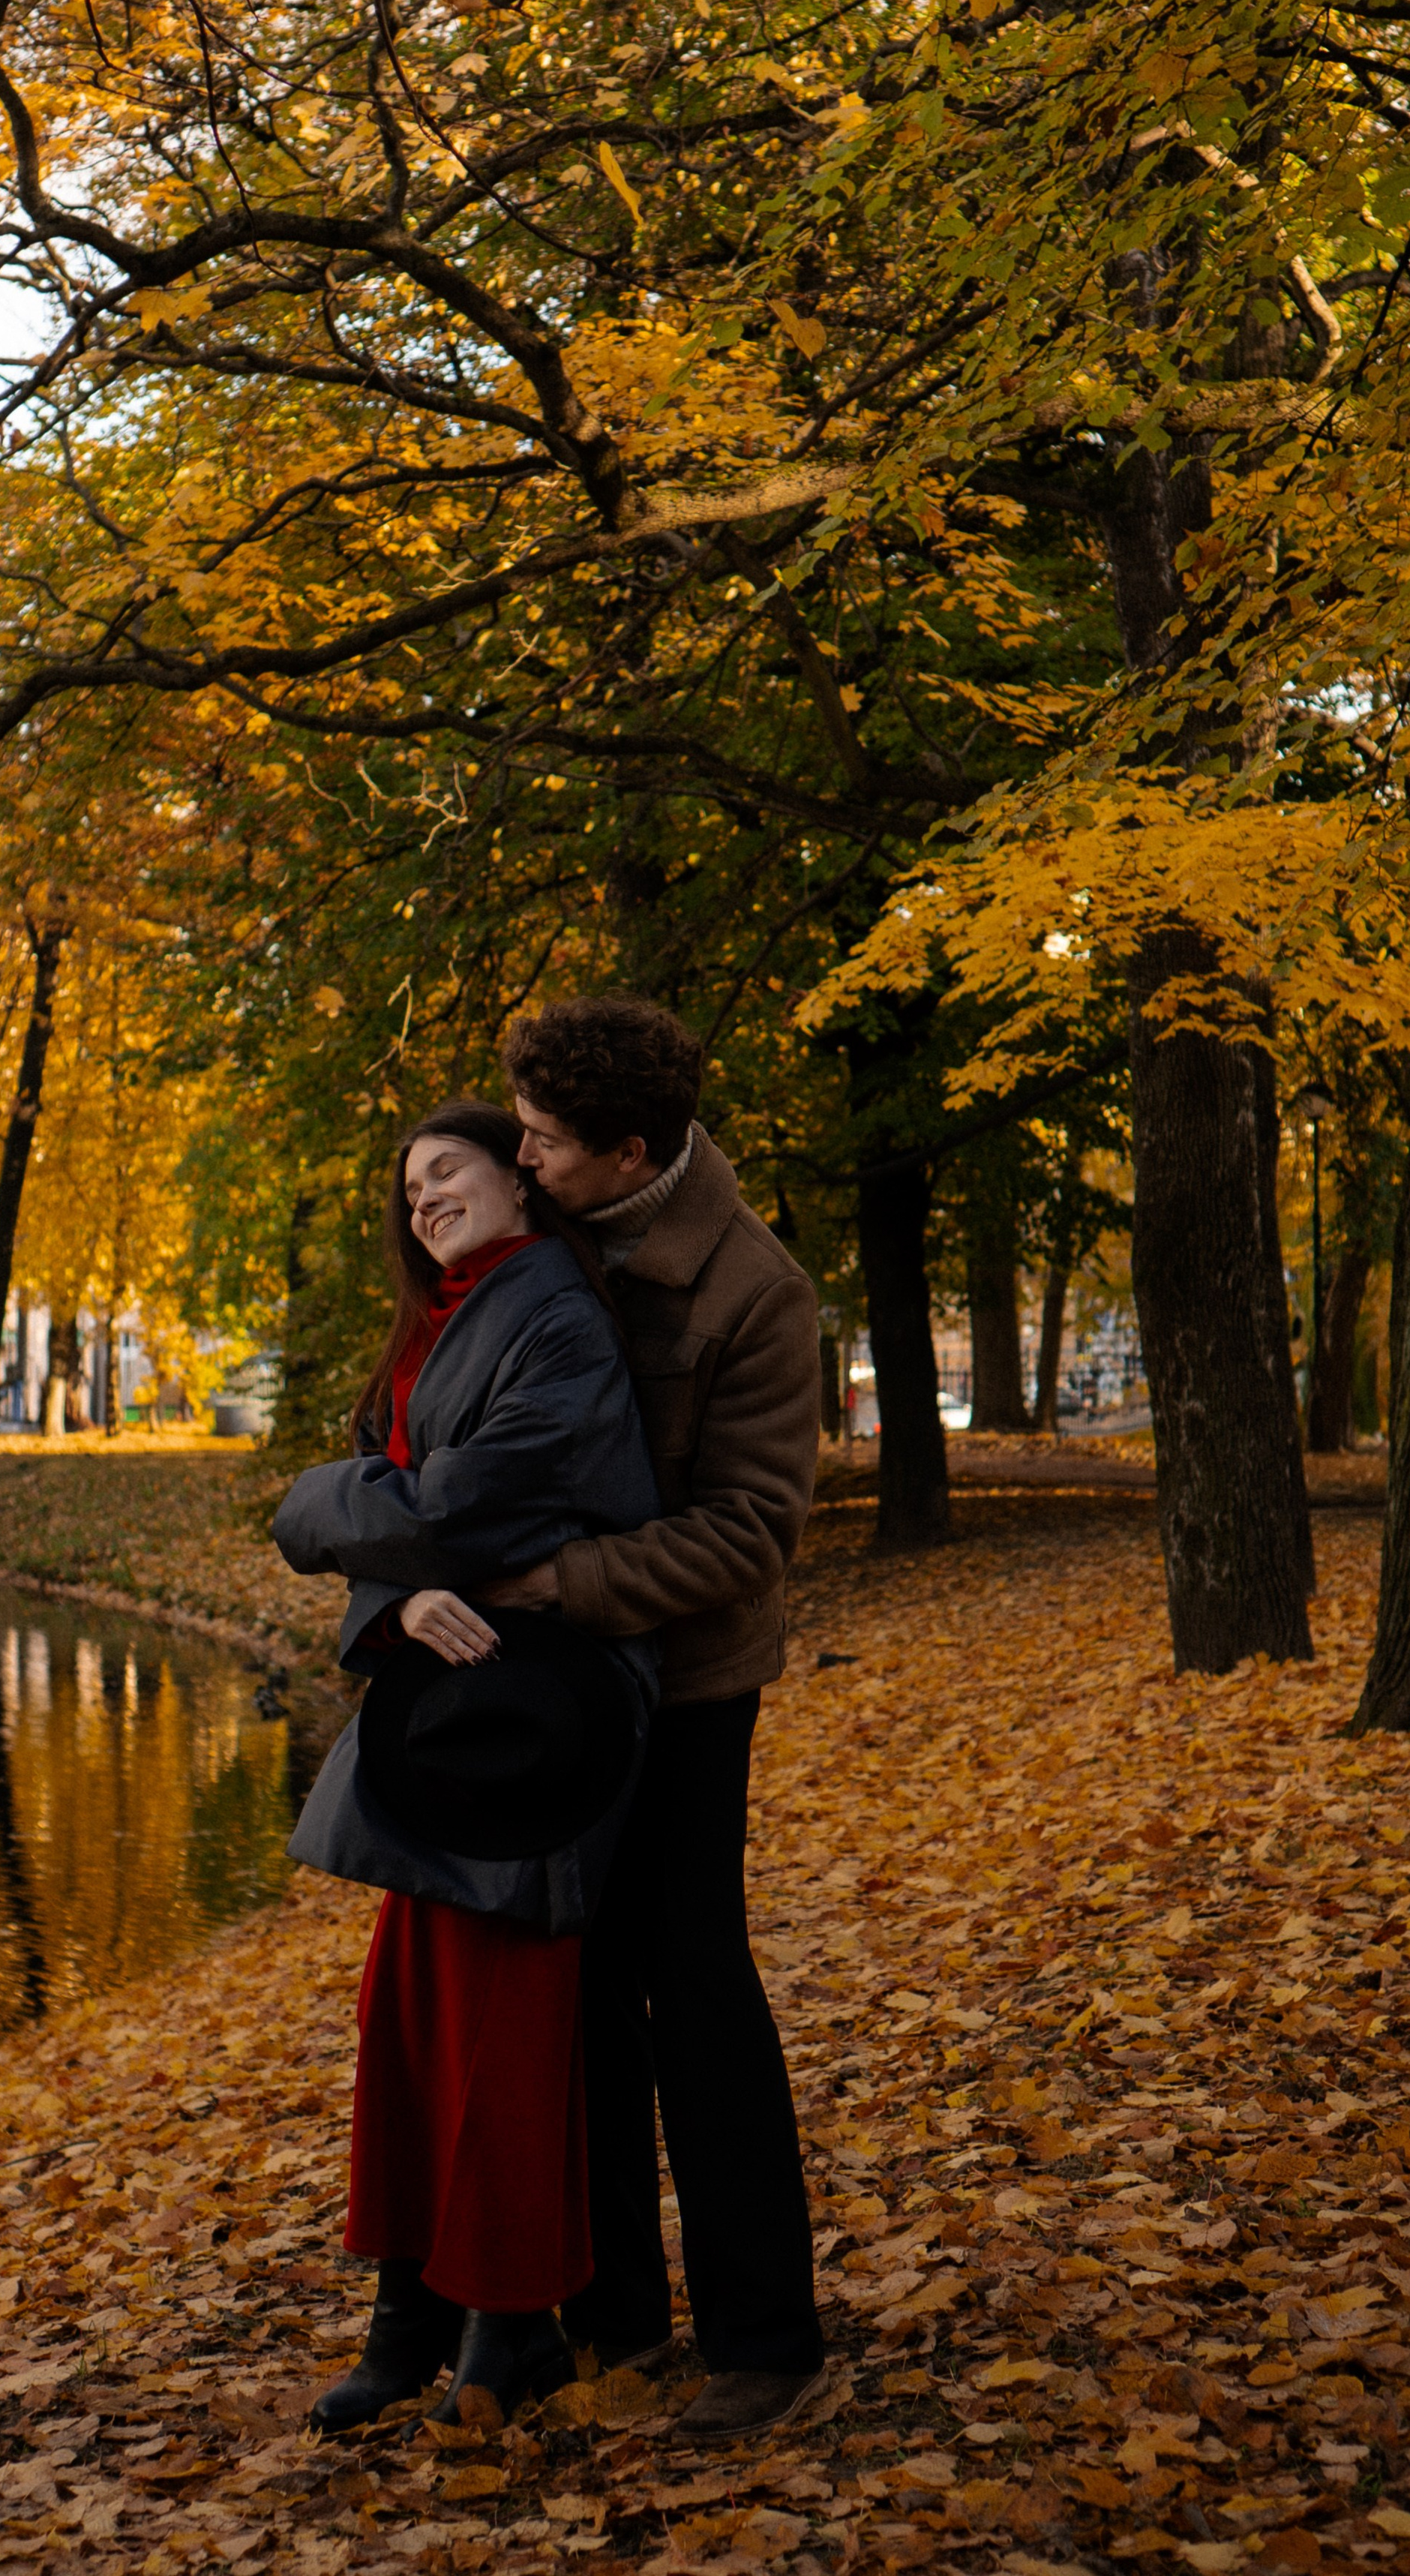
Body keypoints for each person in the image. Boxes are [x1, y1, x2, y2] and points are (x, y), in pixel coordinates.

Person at [272, 1100, 660, 2433]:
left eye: (451, 1170)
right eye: (411, 1183)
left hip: (539, 1713)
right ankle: (411, 2318)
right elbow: (388, 1519)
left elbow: (451, 1508)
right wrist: (390, 1601)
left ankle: (512, 2326)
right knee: (409, 2019)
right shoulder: (435, 1321)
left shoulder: (555, 1313)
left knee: (505, 2024)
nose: (426, 1194)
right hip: (449, 1697)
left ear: (519, 1177)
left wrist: (352, 1527)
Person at [490, 996, 826, 2441]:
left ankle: (763, 2338)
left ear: (632, 1152)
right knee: (580, 2002)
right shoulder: (543, 1234)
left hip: (686, 1690)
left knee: (694, 1991)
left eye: (548, 1141)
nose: (523, 1155)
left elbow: (749, 1532)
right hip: (556, 1687)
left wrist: (559, 1577)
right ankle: (612, 2316)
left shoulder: (755, 1292)